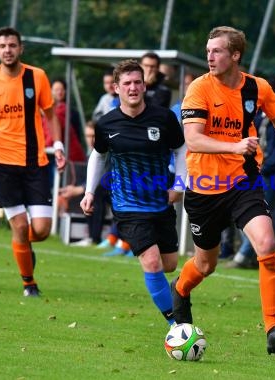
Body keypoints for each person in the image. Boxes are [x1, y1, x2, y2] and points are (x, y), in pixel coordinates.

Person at [175, 26, 275, 356]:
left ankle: (273, 329)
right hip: (204, 189)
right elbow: (193, 139)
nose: (210, 56)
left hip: (243, 183)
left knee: (267, 244)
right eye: (208, 50)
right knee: (206, 265)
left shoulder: (258, 87)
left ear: (235, 55)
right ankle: (180, 290)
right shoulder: (198, 89)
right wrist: (235, 145)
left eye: (217, 51)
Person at [80, 59, 187, 326]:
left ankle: (169, 294)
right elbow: (98, 156)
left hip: (160, 204)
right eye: (126, 83)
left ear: (144, 85)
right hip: (128, 206)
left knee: (169, 264)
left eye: (137, 82)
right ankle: (176, 325)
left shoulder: (163, 118)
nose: (133, 88)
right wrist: (89, 192)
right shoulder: (107, 123)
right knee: (151, 263)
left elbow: (181, 150)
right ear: (116, 88)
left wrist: (179, 185)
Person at [0, 26, 66, 297]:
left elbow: (51, 115)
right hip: (0, 160)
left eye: (12, 45)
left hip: (35, 161)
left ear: (21, 48)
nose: (7, 50)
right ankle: (29, 283)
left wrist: (58, 145)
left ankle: (21, 244)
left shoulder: (37, 76)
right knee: (20, 224)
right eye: (2, 46)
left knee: (41, 231)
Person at [226, 79, 275, 270]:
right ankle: (267, 255)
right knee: (259, 216)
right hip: (253, 172)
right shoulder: (257, 115)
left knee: (260, 213)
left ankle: (243, 257)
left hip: (271, 174)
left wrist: (261, 166)